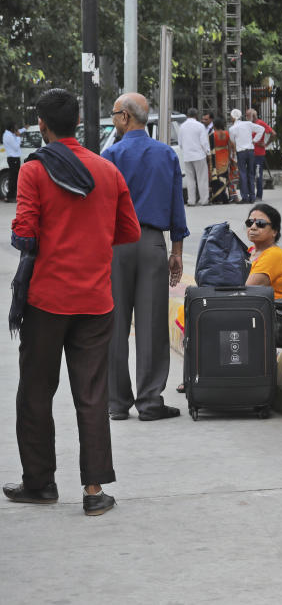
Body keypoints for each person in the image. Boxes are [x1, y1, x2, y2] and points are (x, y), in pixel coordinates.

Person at [3, 88, 140, 516]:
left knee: (35, 393)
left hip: (46, 300)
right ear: (78, 123)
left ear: (41, 125)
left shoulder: (35, 170)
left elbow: (24, 234)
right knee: (93, 394)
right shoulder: (107, 169)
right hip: (96, 301)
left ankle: (40, 483)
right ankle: (95, 491)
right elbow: (129, 232)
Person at [102, 92, 189, 421]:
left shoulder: (110, 155)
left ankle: (116, 404)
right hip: (152, 242)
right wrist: (177, 251)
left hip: (116, 246)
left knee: (115, 323)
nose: (113, 119)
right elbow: (176, 207)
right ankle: (150, 402)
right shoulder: (166, 154)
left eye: (113, 114)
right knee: (152, 324)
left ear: (125, 117)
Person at [173, 202, 282, 377]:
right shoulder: (252, 251)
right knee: (190, 311)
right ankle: (198, 373)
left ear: (274, 231)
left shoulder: (273, 255)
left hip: (272, 315)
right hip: (253, 307)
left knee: (203, 316)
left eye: (260, 224)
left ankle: (205, 372)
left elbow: (246, 288)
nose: (253, 227)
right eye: (249, 223)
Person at [228, 108, 265, 203]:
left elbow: (232, 141)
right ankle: (252, 197)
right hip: (251, 151)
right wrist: (254, 140)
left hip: (241, 152)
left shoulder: (232, 129)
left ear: (232, 117)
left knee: (243, 174)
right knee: (251, 174)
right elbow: (262, 129)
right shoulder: (248, 124)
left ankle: (245, 197)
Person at [180, 108, 212, 205]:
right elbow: (204, 142)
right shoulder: (200, 126)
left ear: (187, 115)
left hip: (187, 156)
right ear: (196, 115)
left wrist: (186, 151)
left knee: (190, 179)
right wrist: (208, 153)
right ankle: (204, 200)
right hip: (199, 155)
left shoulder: (182, 126)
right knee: (202, 178)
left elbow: (180, 143)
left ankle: (191, 200)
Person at [246, 108, 276, 201]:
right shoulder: (248, 125)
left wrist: (266, 144)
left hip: (259, 154)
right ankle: (251, 195)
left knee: (258, 175)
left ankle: (259, 195)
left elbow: (273, 133)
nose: (246, 117)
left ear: (253, 116)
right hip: (249, 153)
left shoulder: (260, 123)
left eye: (247, 115)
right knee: (250, 174)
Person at [209, 116, 235, 204]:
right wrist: (230, 156)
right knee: (224, 176)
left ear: (214, 125)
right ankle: (224, 197)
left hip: (216, 157)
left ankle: (218, 198)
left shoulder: (212, 135)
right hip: (225, 156)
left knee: (217, 177)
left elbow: (209, 148)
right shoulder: (227, 133)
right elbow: (231, 146)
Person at [3, 120, 25, 202]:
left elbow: (18, 132)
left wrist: (24, 129)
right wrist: (19, 136)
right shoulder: (8, 136)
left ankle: (11, 195)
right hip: (13, 159)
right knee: (14, 178)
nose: (17, 128)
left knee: (15, 177)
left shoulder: (10, 133)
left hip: (14, 159)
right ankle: (10, 197)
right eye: (15, 127)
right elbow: (16, 146)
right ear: (11, 128)